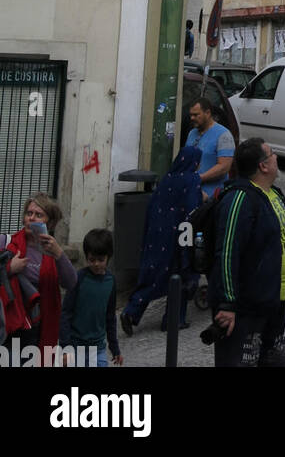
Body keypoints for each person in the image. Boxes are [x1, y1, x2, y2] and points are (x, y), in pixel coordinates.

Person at [209, 137, 285, 368]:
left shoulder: (274, 194)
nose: (277, 157)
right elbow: (227, 253)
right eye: (272, 154)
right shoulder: (239, 198)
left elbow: (283, 240)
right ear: (263, 166)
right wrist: (228, 305)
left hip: (277, 302)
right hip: (247, 309)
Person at [120, 143, 202, 336]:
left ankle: (131, 311)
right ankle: (174, 320)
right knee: (181, 274)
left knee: (153, 274)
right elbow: (193, 210)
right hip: (181, 232)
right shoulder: (192, 180)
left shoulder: (167, 178)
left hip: (157, 233)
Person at [0, 194, 77, 363]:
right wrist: (8, 268)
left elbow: (71, 283)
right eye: (29, 213)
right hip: (8, 326)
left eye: (38, 215)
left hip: (36, 330)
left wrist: (59, 254)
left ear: (49, 223)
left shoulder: (52, 251)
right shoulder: (6, 243)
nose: (31, 218)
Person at [59, 228, 122, 367]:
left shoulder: (111, 281)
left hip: (98, 347)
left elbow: (110, 317)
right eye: (92, 259)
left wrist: (115, 348)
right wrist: (65, 348)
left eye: (101, 260)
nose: (96, 264)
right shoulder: (78, 279)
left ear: (108, 257)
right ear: (86, 257)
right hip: (75, 346)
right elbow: (66, 313)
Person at [186, 97, 234, 199]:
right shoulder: (192, 133)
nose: (192, 118)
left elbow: (224, 167)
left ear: (207, 113)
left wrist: (199, 178)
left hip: (213, 197)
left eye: (196, 115)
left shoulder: (223, 135)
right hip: (191, 193)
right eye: (191, 115)